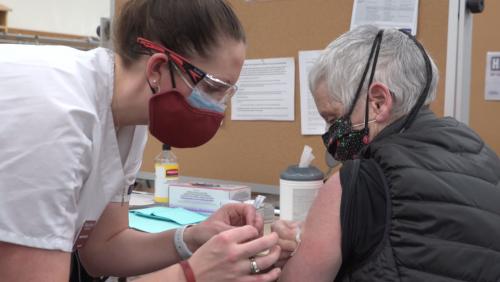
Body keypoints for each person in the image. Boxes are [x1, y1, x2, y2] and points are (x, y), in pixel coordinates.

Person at [0, 0, 282, 281]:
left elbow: (104, 250)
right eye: (212, 88)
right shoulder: (58, 113)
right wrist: (193, 274)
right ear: (157, 69)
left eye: (227, 92)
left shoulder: (126, 120)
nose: (220, 108)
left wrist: (193, 238)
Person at [272, 25, 500, 282]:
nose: (330, 132)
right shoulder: (487, 161)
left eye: (332, 118)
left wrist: (292, 251)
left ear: (379, 102)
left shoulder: (359, 182)